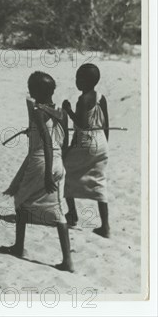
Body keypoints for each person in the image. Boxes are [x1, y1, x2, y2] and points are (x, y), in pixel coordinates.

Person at [4, 71, 74, 272]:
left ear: (34, 91)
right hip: (59, 162)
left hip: (42, 163)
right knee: (58, 211)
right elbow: (63, 142)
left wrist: (46, 174)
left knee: (20, 200)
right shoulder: (61, 112)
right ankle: (68, 260)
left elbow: (46, 142)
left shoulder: (37, 111)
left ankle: (18, 247)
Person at [62, 64, 110, 238]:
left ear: (87, 81)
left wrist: (68, 111)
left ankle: (73, 214)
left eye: (79, 79)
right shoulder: (101, 97)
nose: (76, 81)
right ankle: (105, 226)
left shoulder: (83, 100)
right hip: (101, 142)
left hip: (87, 140)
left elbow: (82, 124)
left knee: (67, 171)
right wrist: (105, 145)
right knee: (99, 181)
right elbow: (106, 124)